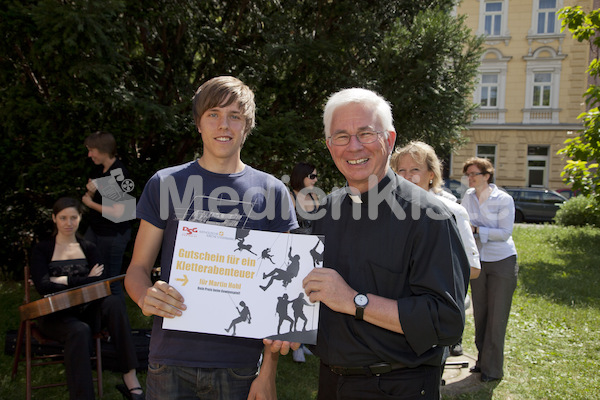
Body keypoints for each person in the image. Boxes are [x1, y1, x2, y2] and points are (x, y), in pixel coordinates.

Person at [124, 76, 299, 400]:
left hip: (240, 364)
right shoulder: (165, 183)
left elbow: (283, 292)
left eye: (235, 116)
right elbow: (137, 268)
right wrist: (144, 295)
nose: (224, 124)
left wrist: (268, 373)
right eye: (214, 114)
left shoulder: (272, 191)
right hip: (169, 360)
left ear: (247, 125)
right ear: (198, 123)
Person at [302, 88, 470, 400]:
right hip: (330, 383)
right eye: (341, 136)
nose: (353, 146)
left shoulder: (429, 216)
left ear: (389, 140)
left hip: (398, 385)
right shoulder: (324, 212)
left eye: (365, 133)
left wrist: (355, 301)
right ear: (329, 146)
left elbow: (446, 321)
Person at [30, 197, 143, 400]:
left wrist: (62, 279)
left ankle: (130, 377)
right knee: (79, 330)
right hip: (56, 316)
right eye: (63, 218)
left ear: (80, 218)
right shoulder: (42, 249)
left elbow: (100, 283)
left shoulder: (89, 247)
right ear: (54, 218)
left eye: (73, 217)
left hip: (86, 311)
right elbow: (43, 286)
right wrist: (85, 278)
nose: (68, 223)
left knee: (114, 302)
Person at [391, 141, 481, 359]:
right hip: (391, 316)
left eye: (415, 170)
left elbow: (473, 268)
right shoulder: (387, 213)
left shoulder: (451, 212)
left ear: (431, 174)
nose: (406, 176)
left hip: (429, 317)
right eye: (400, 170)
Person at [461, 157, 518, 382]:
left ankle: (493, 370)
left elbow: (504, 233)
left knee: (496, 317)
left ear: (487, 175)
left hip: (501, 261)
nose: (470, 178)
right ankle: (482, 361)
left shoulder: (503, 199)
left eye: (474, 174)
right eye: (468, 175)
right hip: (478, 262)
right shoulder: (467, 197)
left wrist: (476, 229)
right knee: (481, 315)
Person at [82, 131, 132, 296]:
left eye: (92, 150)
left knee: (110, 281)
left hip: (112, 234)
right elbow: (89, 192)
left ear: (103, 149)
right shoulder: (99, 170)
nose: (89, 155)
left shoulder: (118, 174)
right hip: (96, 230)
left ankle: (116, 317)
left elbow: (120, 213)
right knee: (89, 271)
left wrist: (90, 203)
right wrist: (90, 194)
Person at [289, 162, 319, 234]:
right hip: (295, 243)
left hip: (313, 243)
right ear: (301, 176)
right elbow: (285, 227)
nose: (316, 180)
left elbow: (320, 223)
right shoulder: (291, 198)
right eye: (312, 176)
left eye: (316, 176)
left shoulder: (313, 196)